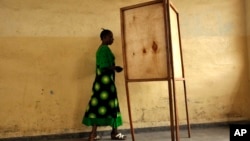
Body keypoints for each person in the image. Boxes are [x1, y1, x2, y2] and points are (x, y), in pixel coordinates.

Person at [82, 29, 126, 141]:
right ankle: (114, 133)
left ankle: (93, 134)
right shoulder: (104, 49)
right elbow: (103, 67)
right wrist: (115, 68)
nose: (112, 39)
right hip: (105, 84)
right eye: (110, 37)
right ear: (105, 38)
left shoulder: (101, 49)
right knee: (112, 106)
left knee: (97, 106)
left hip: (100, 84)